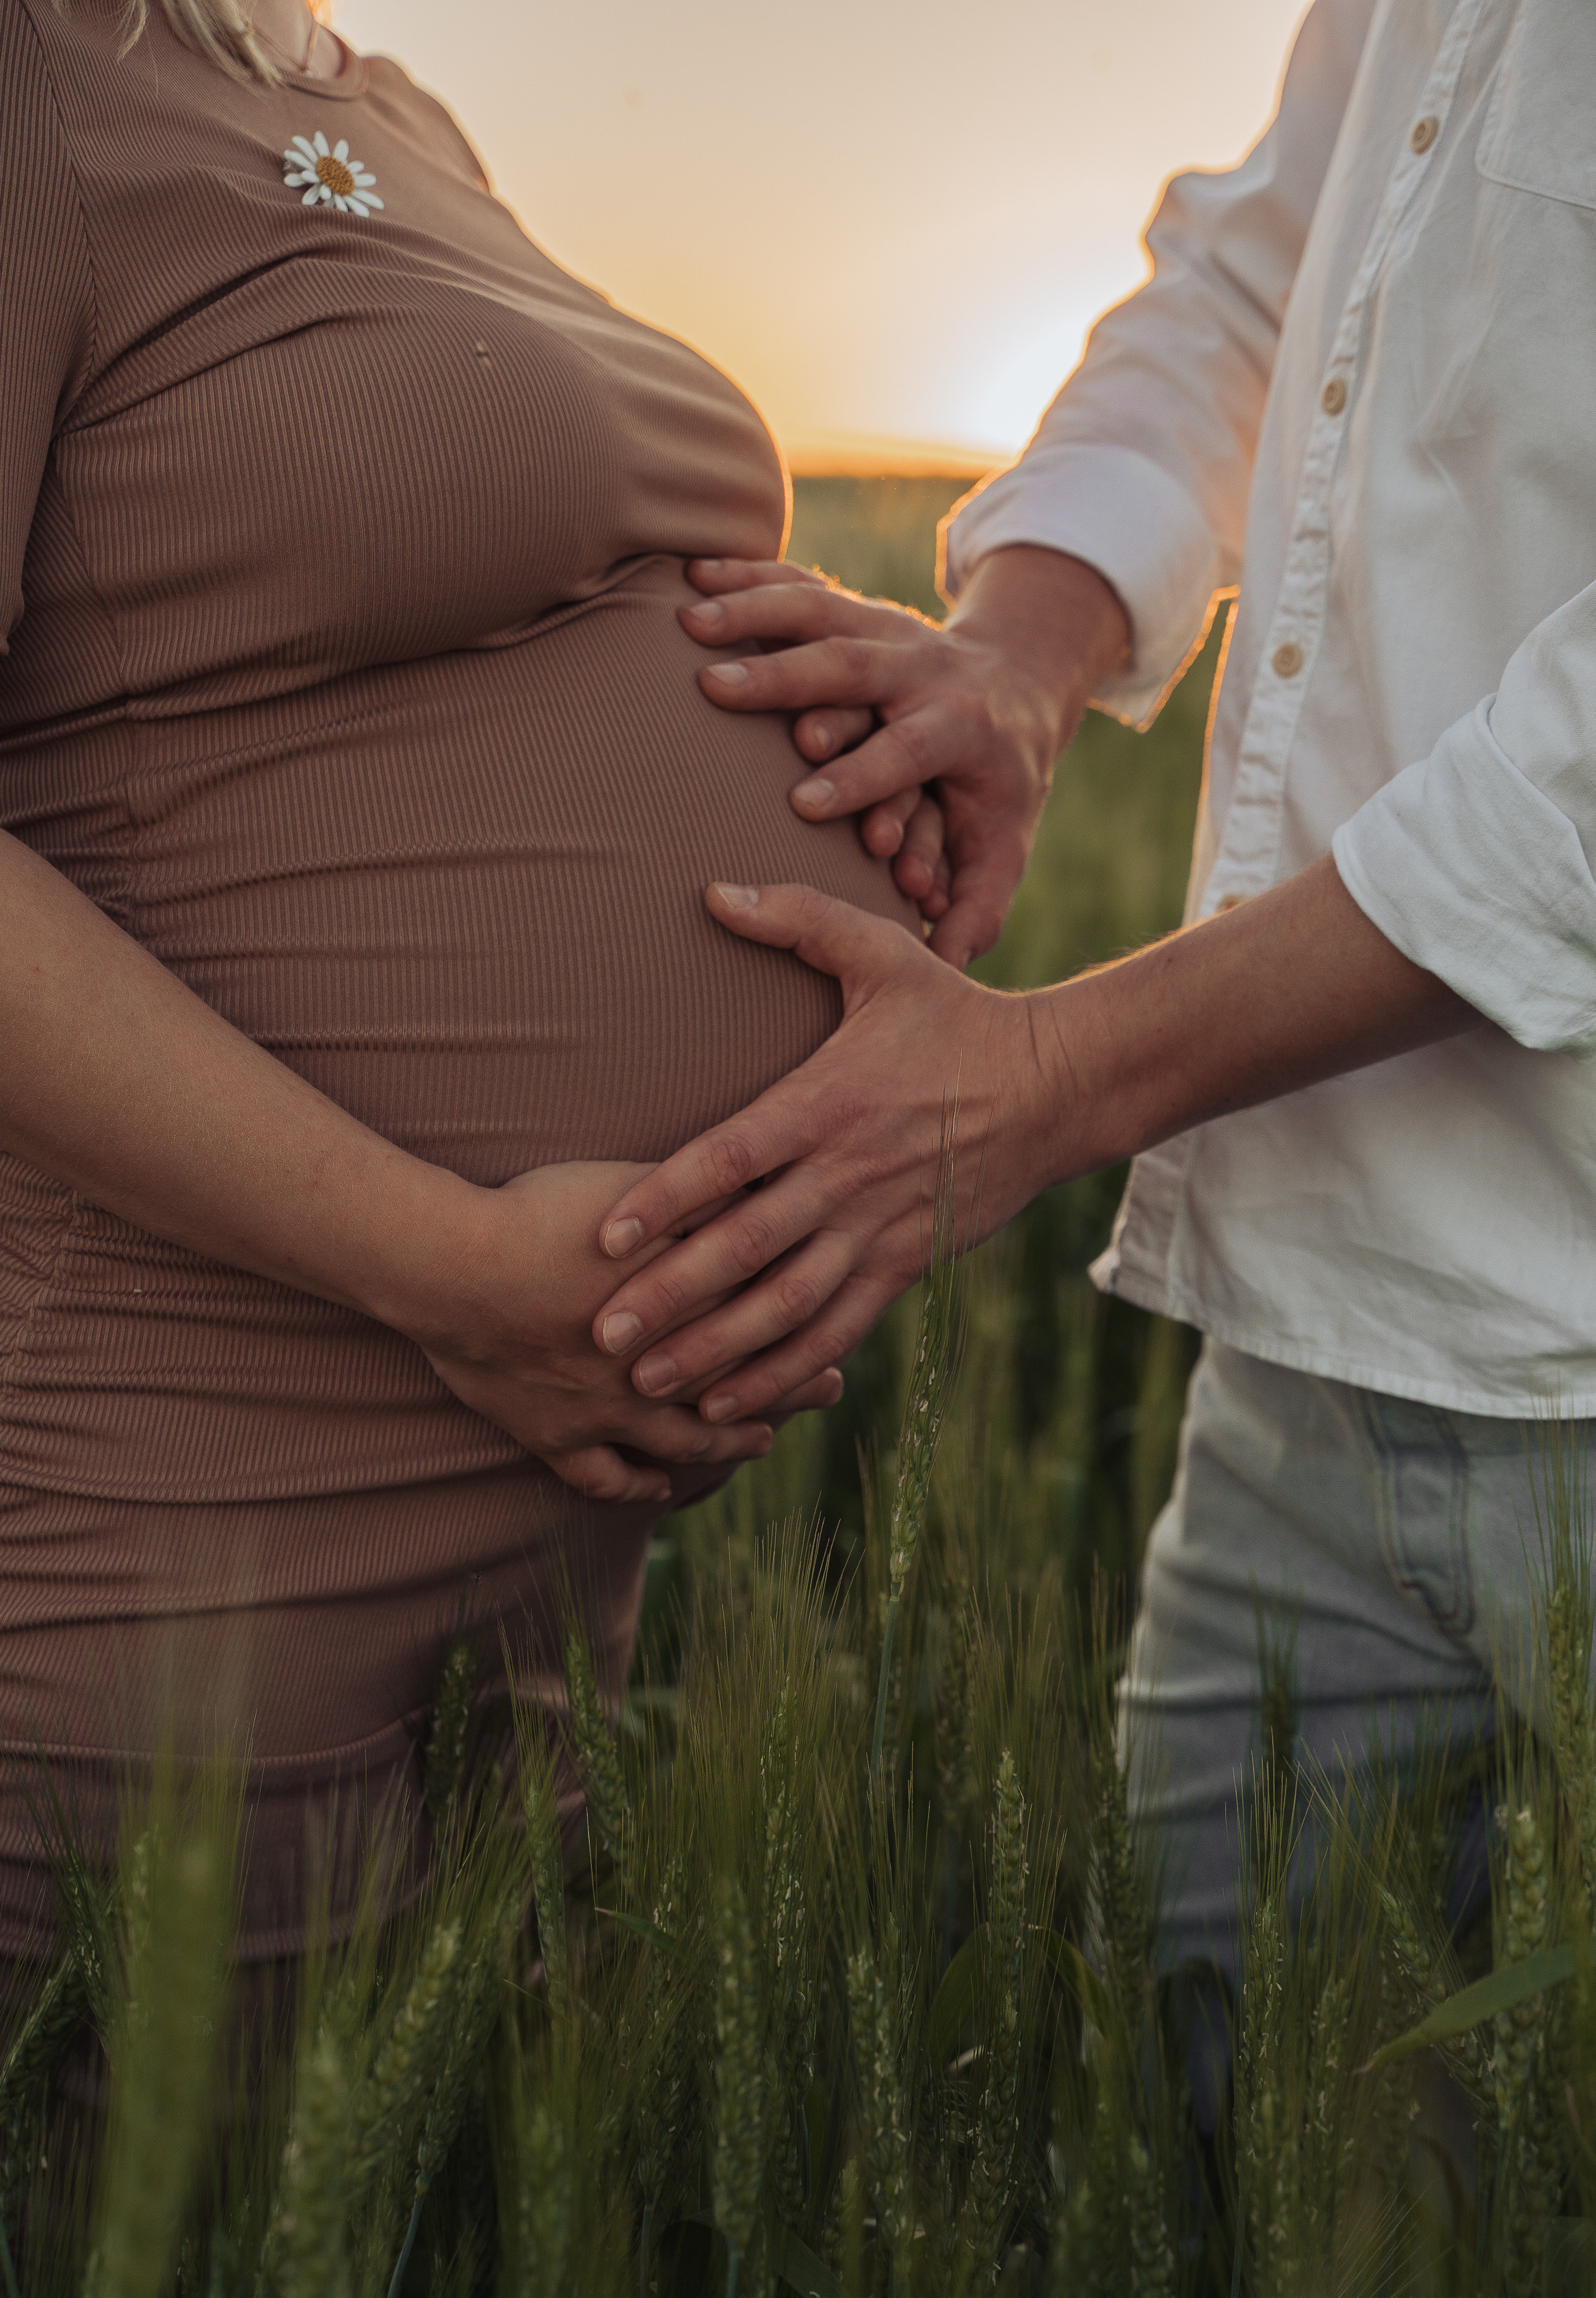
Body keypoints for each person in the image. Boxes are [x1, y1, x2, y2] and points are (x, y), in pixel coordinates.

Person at [588, 0, 1596, 1983]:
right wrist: (1019, 655)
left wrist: (1052, 1077)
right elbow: (1262, 266)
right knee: (1237, 2181)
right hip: (1310, 1330)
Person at [0, 0, 928, 1969]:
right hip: (188, 1472)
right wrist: (440, 1262)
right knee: (142, 2243)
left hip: (544, 1488)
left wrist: (868, 688)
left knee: (437, 2252)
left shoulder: (378, 100)